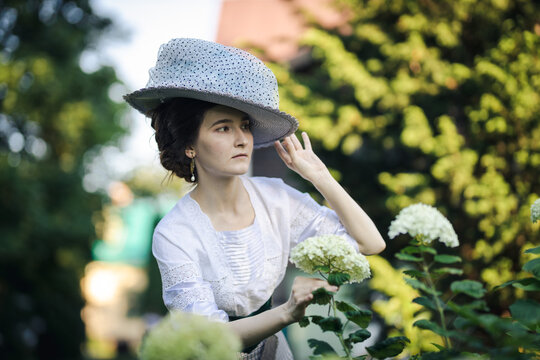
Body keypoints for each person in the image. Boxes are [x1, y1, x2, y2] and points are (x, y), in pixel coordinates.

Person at [124, 38, 386, 360]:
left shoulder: (275, 198)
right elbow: (208, 338)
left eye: (244, 126)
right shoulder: (174, 233)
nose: (241, 140)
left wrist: (320, 177)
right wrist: (288, 311)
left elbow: (369, 244)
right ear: (189, 145)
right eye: (223, 128)